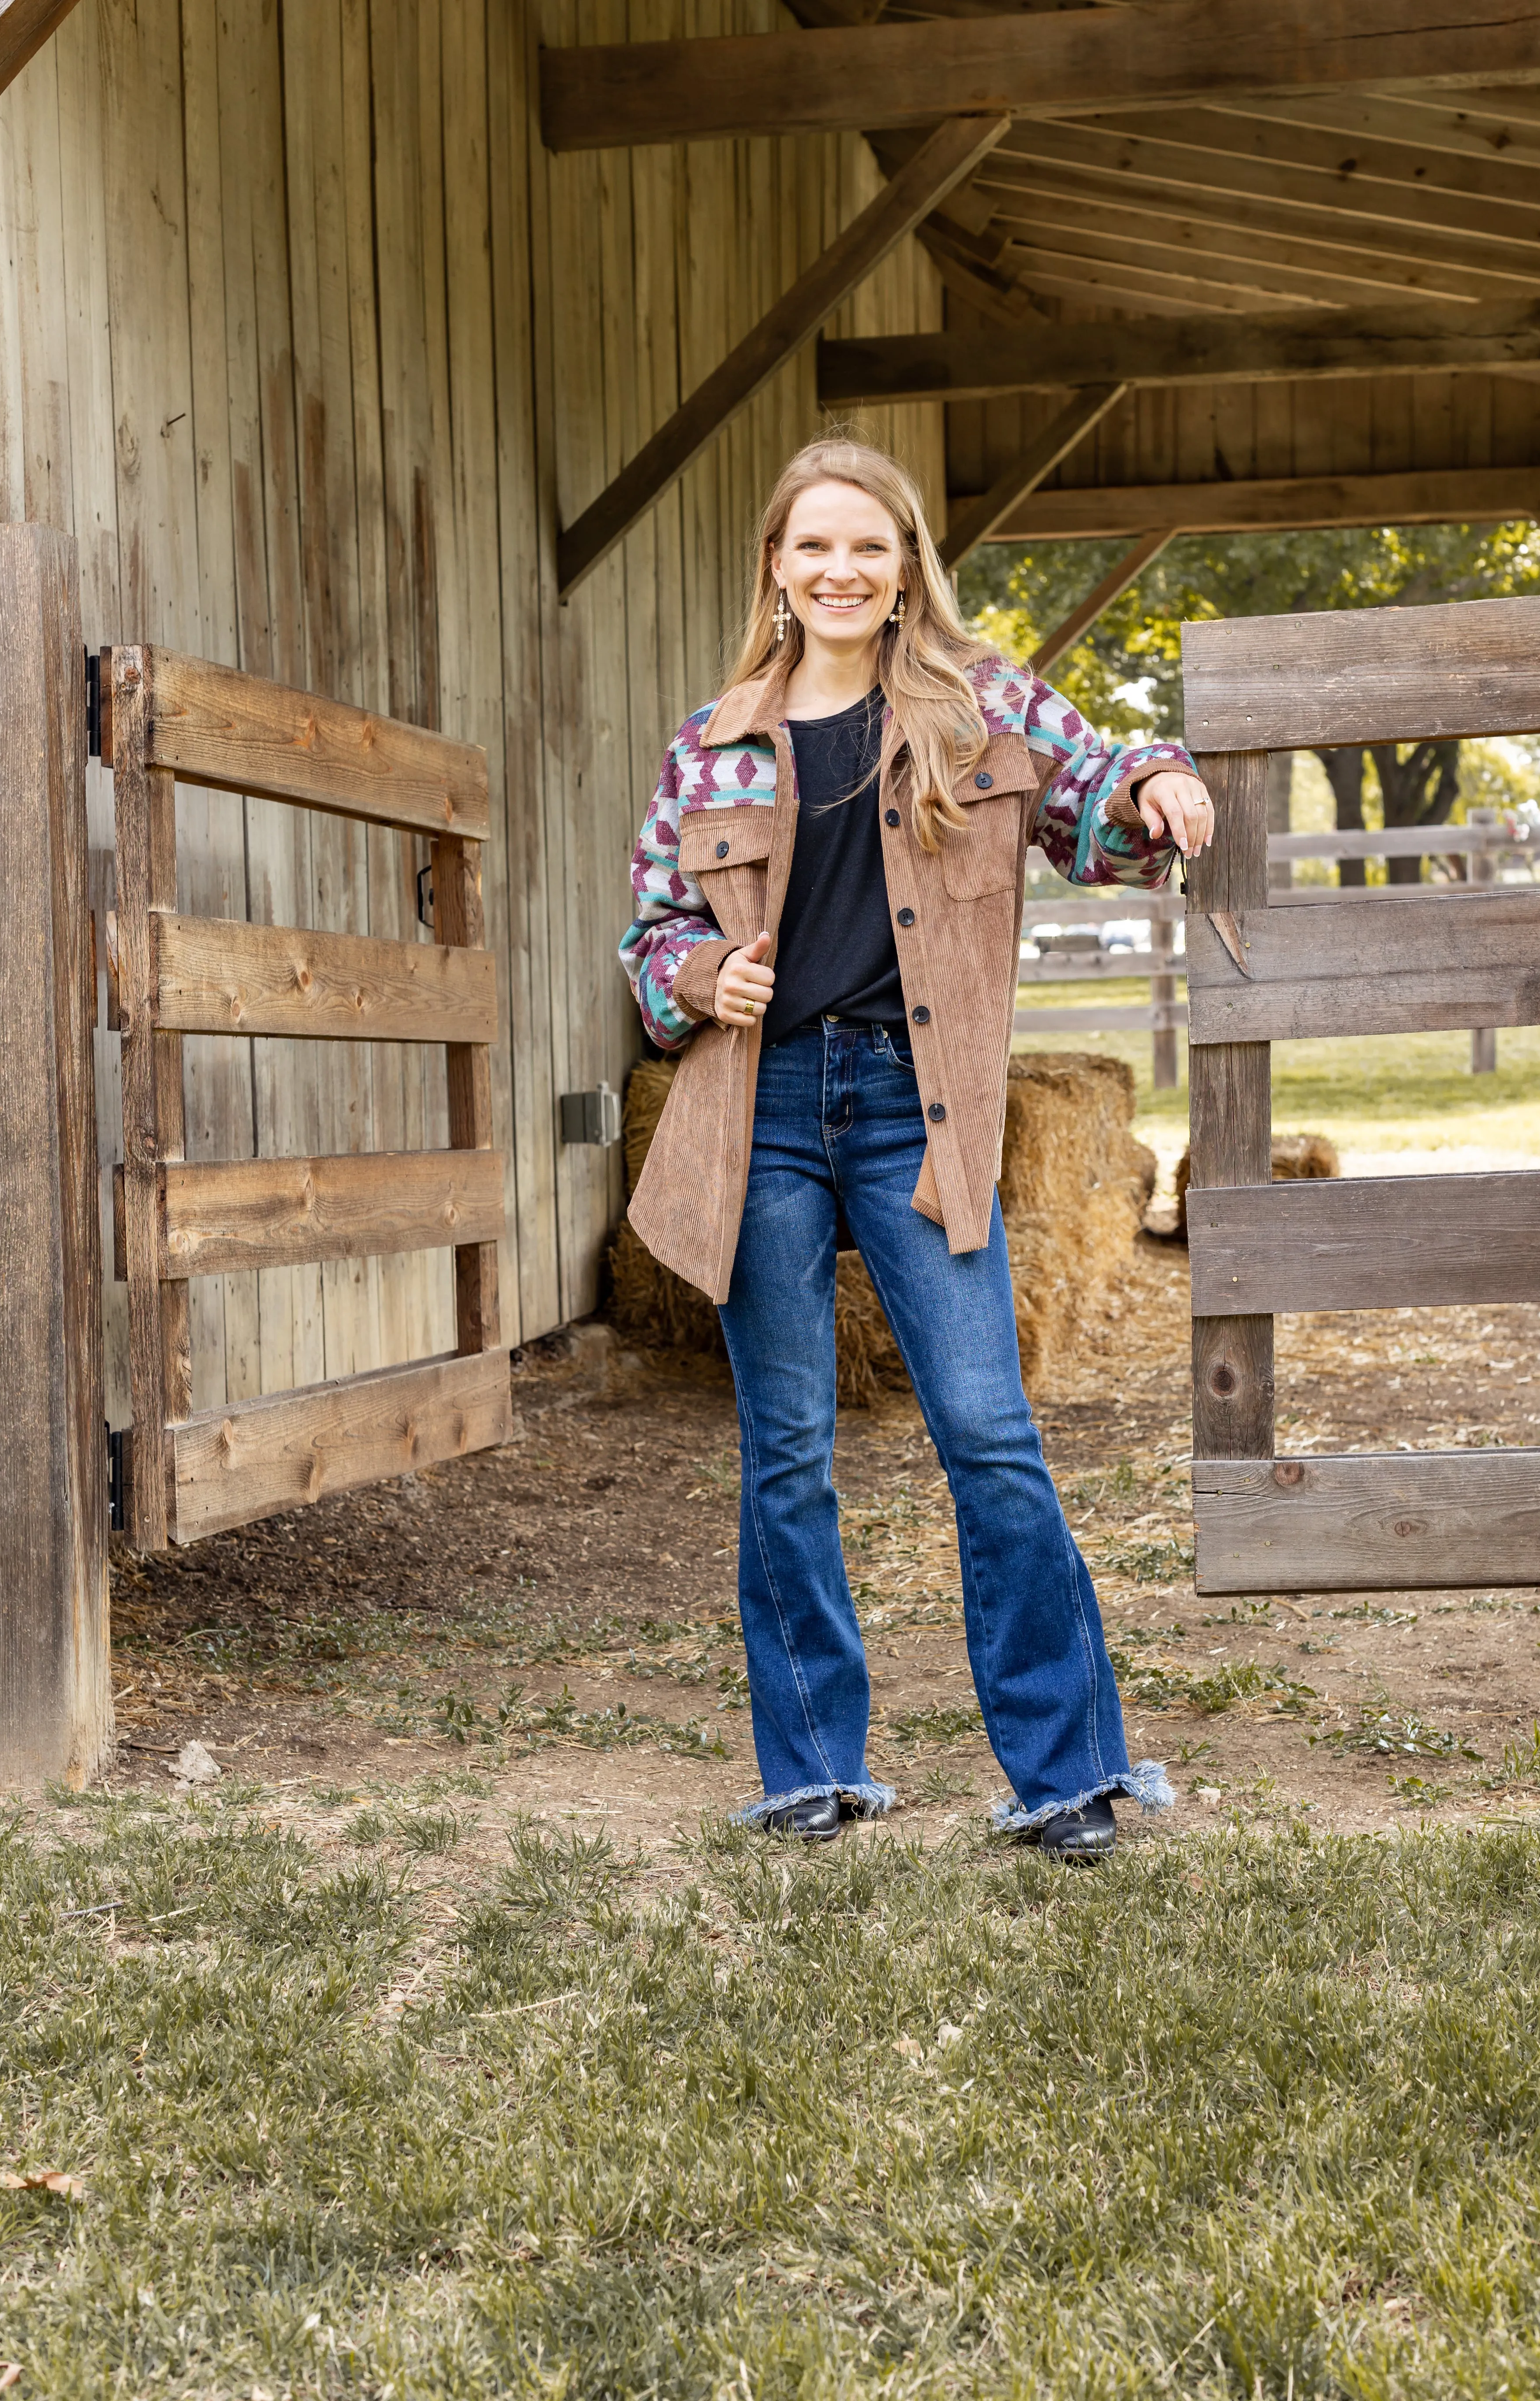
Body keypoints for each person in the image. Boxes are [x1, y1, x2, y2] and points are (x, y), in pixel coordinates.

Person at [618, 437, 1214, 1860]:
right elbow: (648, 946)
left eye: (868, 549)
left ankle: (1067, 1774)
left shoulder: (977, 700)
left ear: (904, 572)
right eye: (814, 546)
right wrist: (705, 983)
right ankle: (811, 1769)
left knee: (987, 1433)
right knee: (786, 1452)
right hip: (759, 1113)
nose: (840, 570)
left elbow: (1099, 804)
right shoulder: (709, 745)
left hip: (912, 1105)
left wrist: (1161, 775)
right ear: (776, 565)